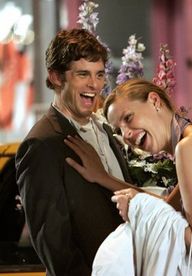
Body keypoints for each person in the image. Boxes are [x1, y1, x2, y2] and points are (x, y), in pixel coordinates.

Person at [65, 79, 192, 275]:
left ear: (155, 101)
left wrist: (138, 209)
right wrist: (103, 177)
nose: (127, 134)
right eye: (119, 131)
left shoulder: (190, 148)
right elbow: (168, 208)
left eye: (128, 118)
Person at [15, 28, 138, 276]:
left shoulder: (106, 129)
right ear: (57, 77)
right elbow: (55, 246)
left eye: (100, 74)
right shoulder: (42, 144)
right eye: (83, 74)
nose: (95, 84)